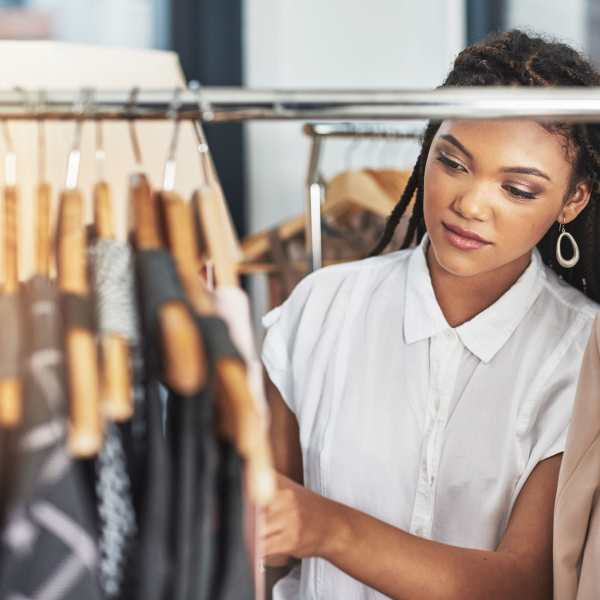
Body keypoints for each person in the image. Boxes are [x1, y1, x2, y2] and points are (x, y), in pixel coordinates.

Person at [260, 30, 600, 600]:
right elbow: (263, 542)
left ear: (573, 201)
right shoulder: (319, 309)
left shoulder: (584, 353)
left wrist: (324, 526)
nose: (469, 204)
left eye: (516, 189)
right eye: (453, 162)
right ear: (427, 148)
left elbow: (527, 582)